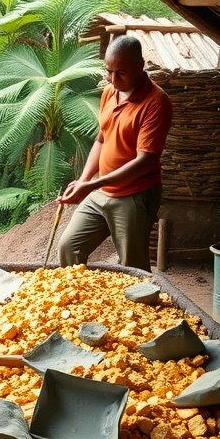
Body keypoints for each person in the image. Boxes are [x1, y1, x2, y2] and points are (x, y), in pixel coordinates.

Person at [57, 34, 172, 272]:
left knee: (132, 266)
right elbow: (101, 139)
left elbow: (145, 160)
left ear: (140, 66)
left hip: (135, 194)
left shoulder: (156, 102)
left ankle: (142, 298)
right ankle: (74, 295)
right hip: (102, 191)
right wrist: (84, 180)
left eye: (120, 73)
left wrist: (92, 185)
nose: (112, 79)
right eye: (108, 71)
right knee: (69, 247)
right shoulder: (110, 92)